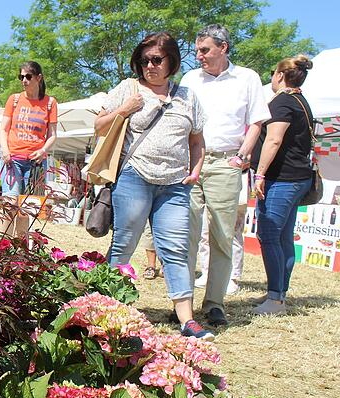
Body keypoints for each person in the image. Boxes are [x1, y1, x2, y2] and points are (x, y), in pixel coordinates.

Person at [96, 32, 210, 339]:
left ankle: (187, 320)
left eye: (157, 59)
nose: (150, 66)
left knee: (175, 248)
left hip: (174, 185)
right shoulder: (128, 89)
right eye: (144, 60)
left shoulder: (187, 96)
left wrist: (195, 170)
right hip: (135, 176)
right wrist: (124, 109)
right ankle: (107, 307)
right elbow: (98, 127)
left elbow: (197, 140)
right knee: (125, 242)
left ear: (171, 61)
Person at [180, 24, 271, 326]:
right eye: (196, 51)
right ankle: (184, 306)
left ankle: (214, 303)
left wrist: (242, 156)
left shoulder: (248, 78)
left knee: (221, 234)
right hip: (191, 163)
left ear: (224, 47)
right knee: (187, 235)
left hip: (225, 163)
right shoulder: (190, 79)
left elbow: (257, 122)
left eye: (204, 50)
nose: (199, 56)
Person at [251, 55, 315, 315]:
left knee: (269, 235)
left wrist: (260, 174)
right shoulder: (302, 101)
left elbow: (273, 140)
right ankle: (279, 293)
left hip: (283, 179)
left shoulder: (282, 102)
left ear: (279, 76)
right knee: (283, 237)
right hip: (298, 178)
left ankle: (276, 299)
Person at [0, 60, 58, 237]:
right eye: (21, 77)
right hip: (13, 159)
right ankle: (2, 245)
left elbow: (53, 135)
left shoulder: (50, 103)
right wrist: (5, 150)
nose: (24, 80)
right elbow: (3, 129)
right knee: (9, 205)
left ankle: (20, 249)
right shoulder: (14, 100)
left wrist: (43, 150)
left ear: (39, 78)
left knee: (26, 209)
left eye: (28, 76)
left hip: (35, 163)